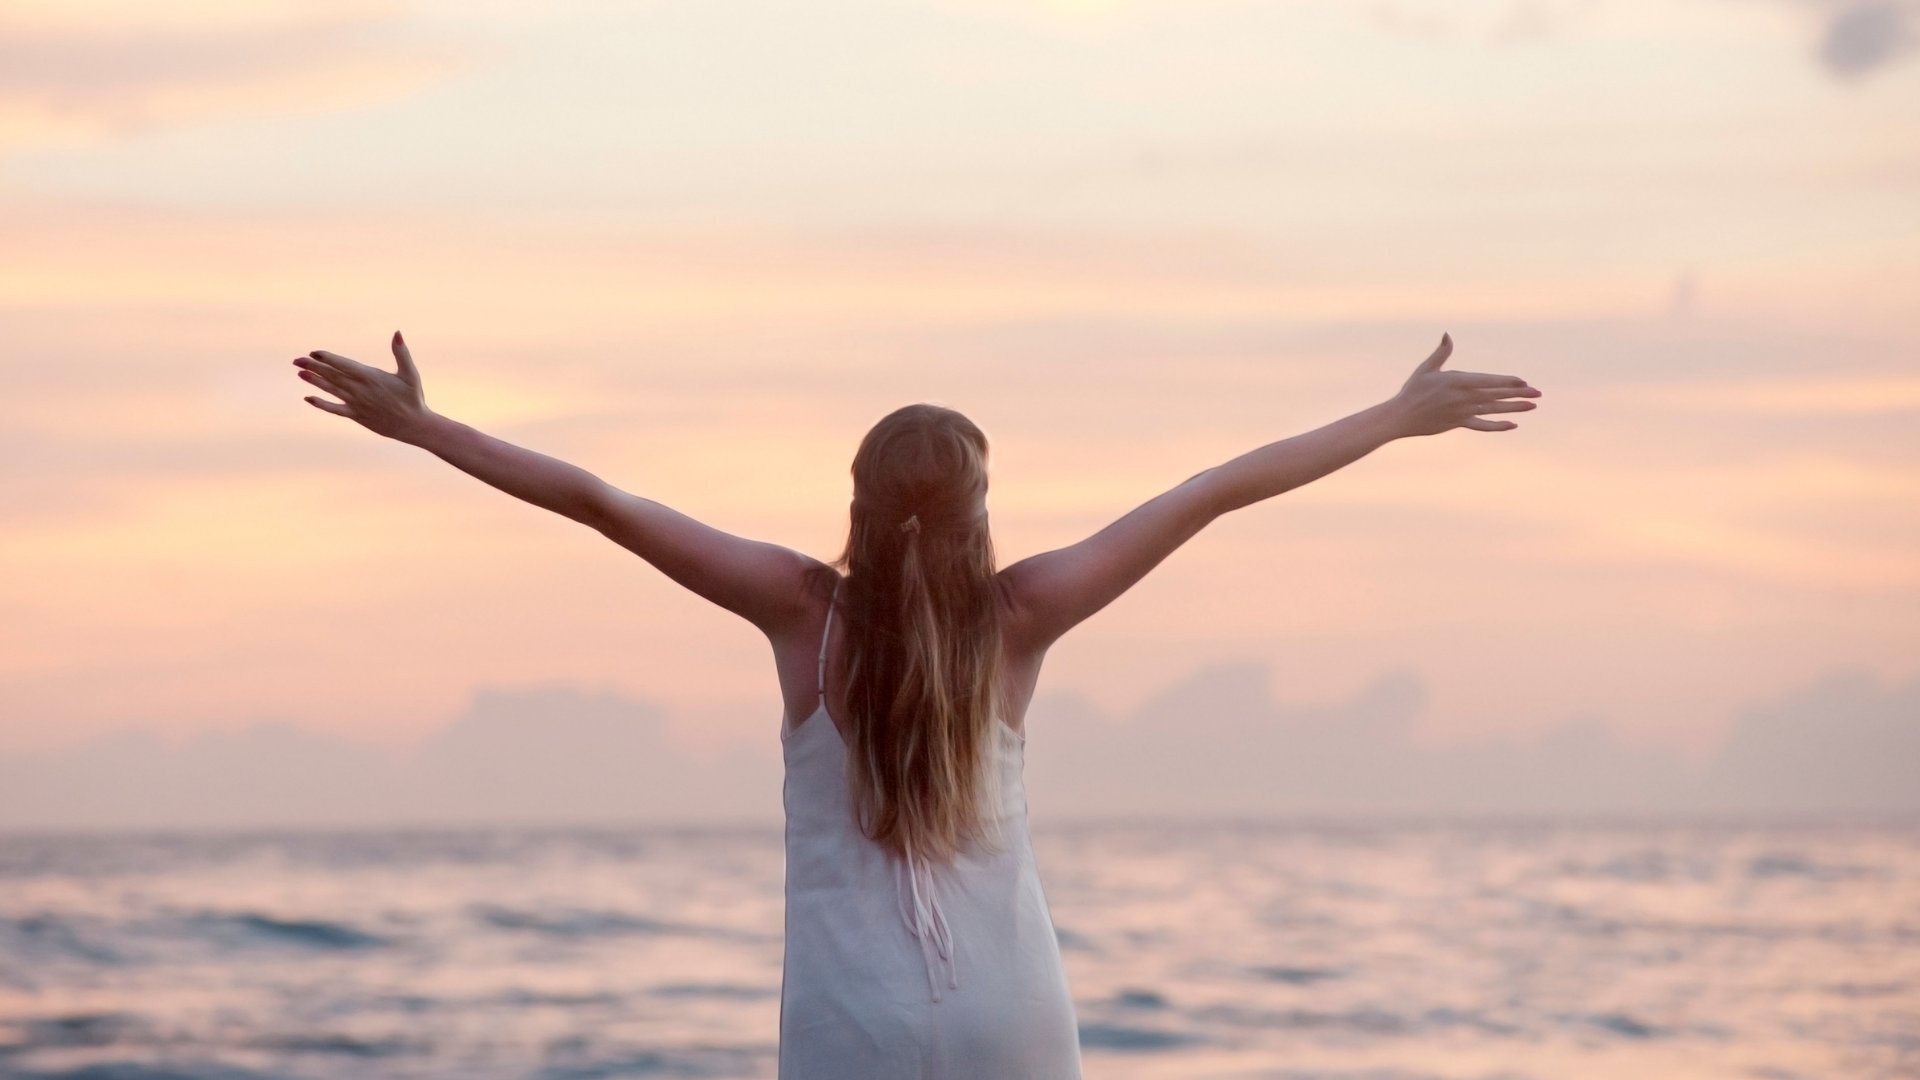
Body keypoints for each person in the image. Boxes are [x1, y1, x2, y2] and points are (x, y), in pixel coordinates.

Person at [291, 331, 1540, 1077]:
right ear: (980, 506)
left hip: (853, 1022)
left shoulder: (798, 611)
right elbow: (1214, 489)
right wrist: (1392, 418)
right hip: (1011, 1009)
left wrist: (425, 428)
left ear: (858, 494)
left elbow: (601, 501)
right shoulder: (1026, 612)